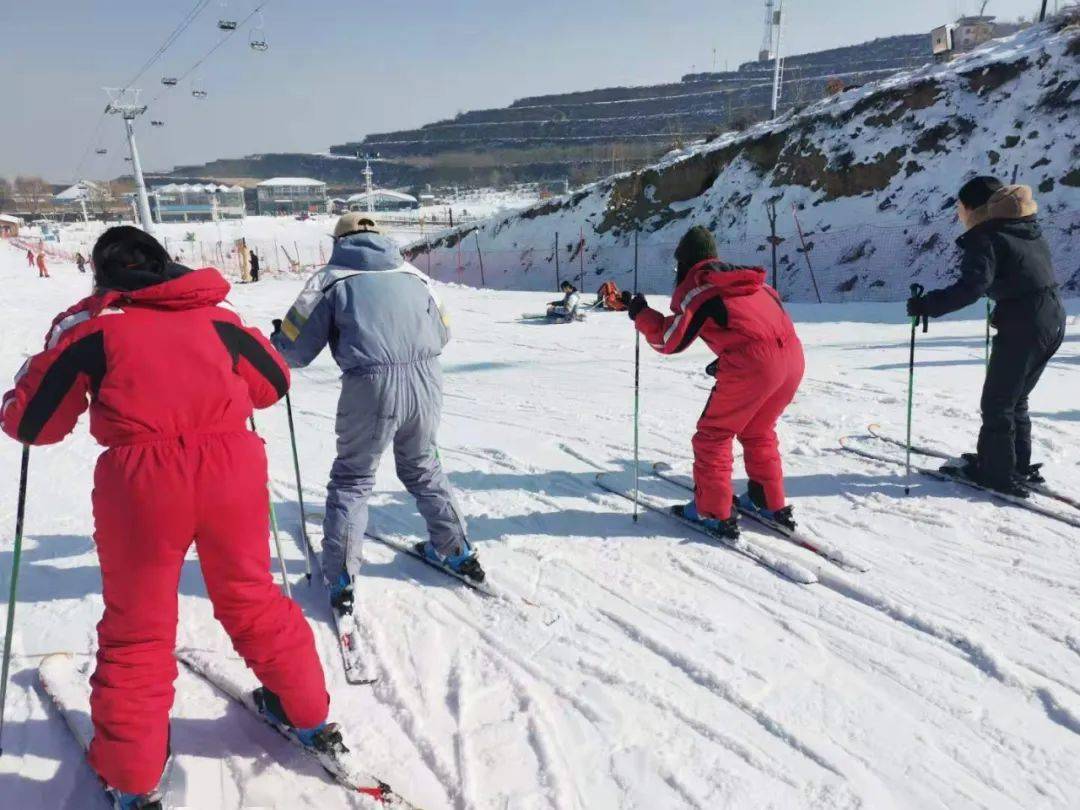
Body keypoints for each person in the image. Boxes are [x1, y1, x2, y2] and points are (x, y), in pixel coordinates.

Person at [1, 227, 334, 808]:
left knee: (139, 627)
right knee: (251, 596)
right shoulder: (216, 316)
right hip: (231, 470)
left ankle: (132, 773)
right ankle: (306, 711)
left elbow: (34, 425)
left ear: (103, 275)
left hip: (143, 486)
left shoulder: (91, 326)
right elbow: (274, 382)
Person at [272, 214, 480, 616]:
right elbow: (443, 332)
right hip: (426, 380)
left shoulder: (329, 279)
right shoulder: (414, 276)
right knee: (424, 466)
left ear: (339, 240)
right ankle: (455, 549)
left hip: (369, 384)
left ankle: (342, 577)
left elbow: (293, 351)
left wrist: (279, 338)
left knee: (353, 477)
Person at [624, 225, 805, 536]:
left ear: (684, 263)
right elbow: (757, 330)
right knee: (758, 429)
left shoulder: (701, 288)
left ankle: (713, 512)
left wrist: (640, 312)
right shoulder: (754, 284)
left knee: (714, 435)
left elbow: (669, 341)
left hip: (755, 366)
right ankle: (767, 499)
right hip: (793, 359)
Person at [906, 176, 1065, 497]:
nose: (958, 214)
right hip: (1053, 318)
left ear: (973, 208)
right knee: (1014, 398)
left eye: (960, 207)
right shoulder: (1025, 226)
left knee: (997, 403)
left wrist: (927, 305)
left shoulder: (988, 237)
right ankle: (1013, 463)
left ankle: (997, 473)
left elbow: (972, 287)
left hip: (1026, 325)